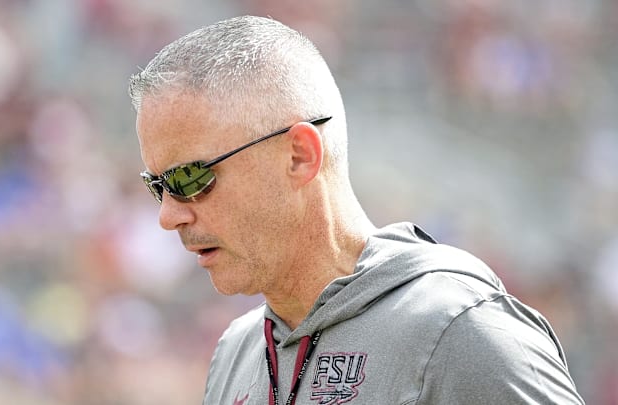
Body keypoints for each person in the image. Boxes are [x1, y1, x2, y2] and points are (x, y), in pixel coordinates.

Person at [128, 15, 584, 405]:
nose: (169, 216)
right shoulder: (236, 352)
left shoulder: (461, 332)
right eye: (158, 186)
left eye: (190, 178)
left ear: (300, 156)